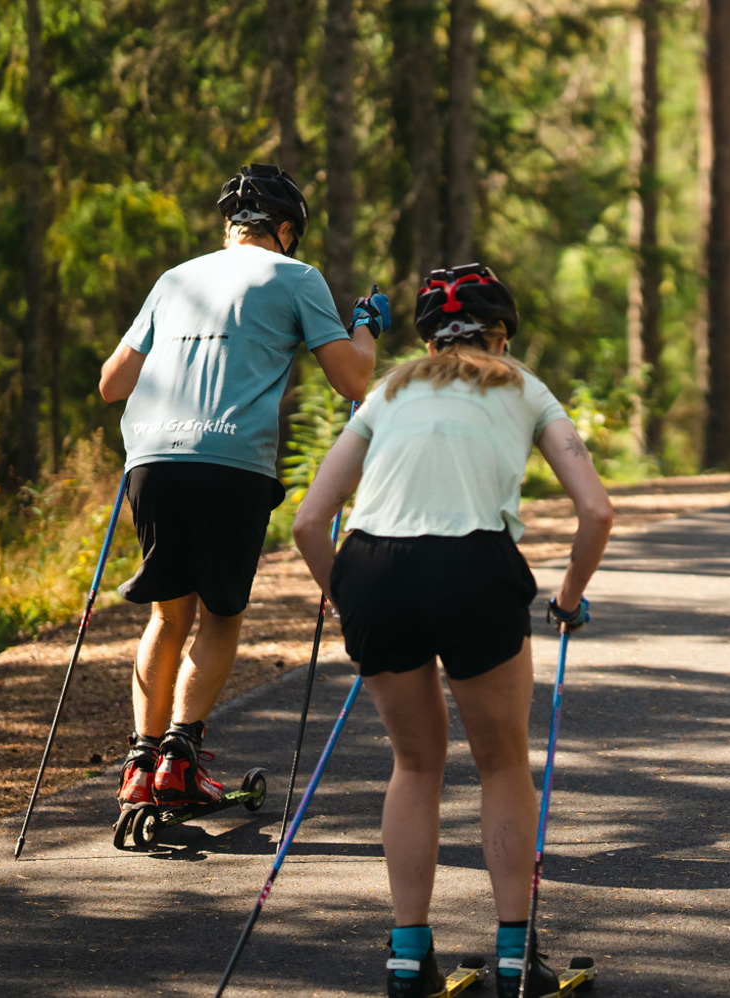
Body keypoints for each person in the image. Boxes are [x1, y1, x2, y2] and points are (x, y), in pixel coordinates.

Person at [291, 264, 614, 998]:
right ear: (500, 335)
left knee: (416, 765)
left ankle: (408, 961)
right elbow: (595, 510)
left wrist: (350, 604)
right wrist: (567, 599)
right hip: (473, 563)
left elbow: (310, 522)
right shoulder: (522, 387)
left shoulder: (389, 390)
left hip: (374, 569)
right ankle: (512, 960)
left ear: (430, 339)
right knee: (500, 763)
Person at [97, 164, 383, 809]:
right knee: (222, 614)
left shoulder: (174, 280)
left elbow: (113, 384)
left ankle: (140, 764)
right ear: (284, 230)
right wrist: (365, 324)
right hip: (232, 462)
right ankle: (181, 755)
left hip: (154, 459)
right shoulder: (296, 277)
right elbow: (354, 382)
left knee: (169, 612)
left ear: (229, 228)